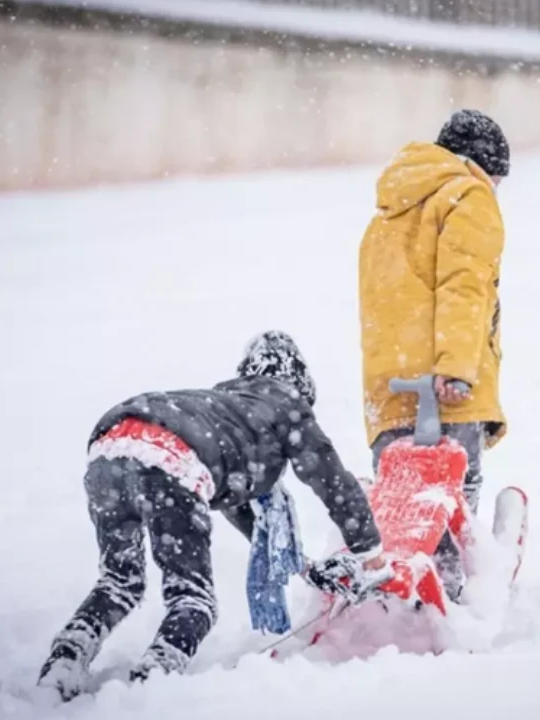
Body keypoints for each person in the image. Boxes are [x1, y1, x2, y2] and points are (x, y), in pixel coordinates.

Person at [37, 330, 390, 700]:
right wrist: (371, 554)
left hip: (110, 447)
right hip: (169, 457)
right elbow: (333, 482)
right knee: (194, 600)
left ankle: (66, 659)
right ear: (300, 383)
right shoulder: (286, 404)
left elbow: (246, 518)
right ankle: (152, 680)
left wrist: (306, 568)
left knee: (118, 583)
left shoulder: (225, 410)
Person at [357, 108, 510, 601]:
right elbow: (464, 288)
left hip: (388, 386)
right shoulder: (469, 196)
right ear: (483, 166)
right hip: (446, 383)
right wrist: (456, 369)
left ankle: (401, 590)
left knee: (403, 506)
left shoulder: (388, 211)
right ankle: (452, 591)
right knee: (452, 495)